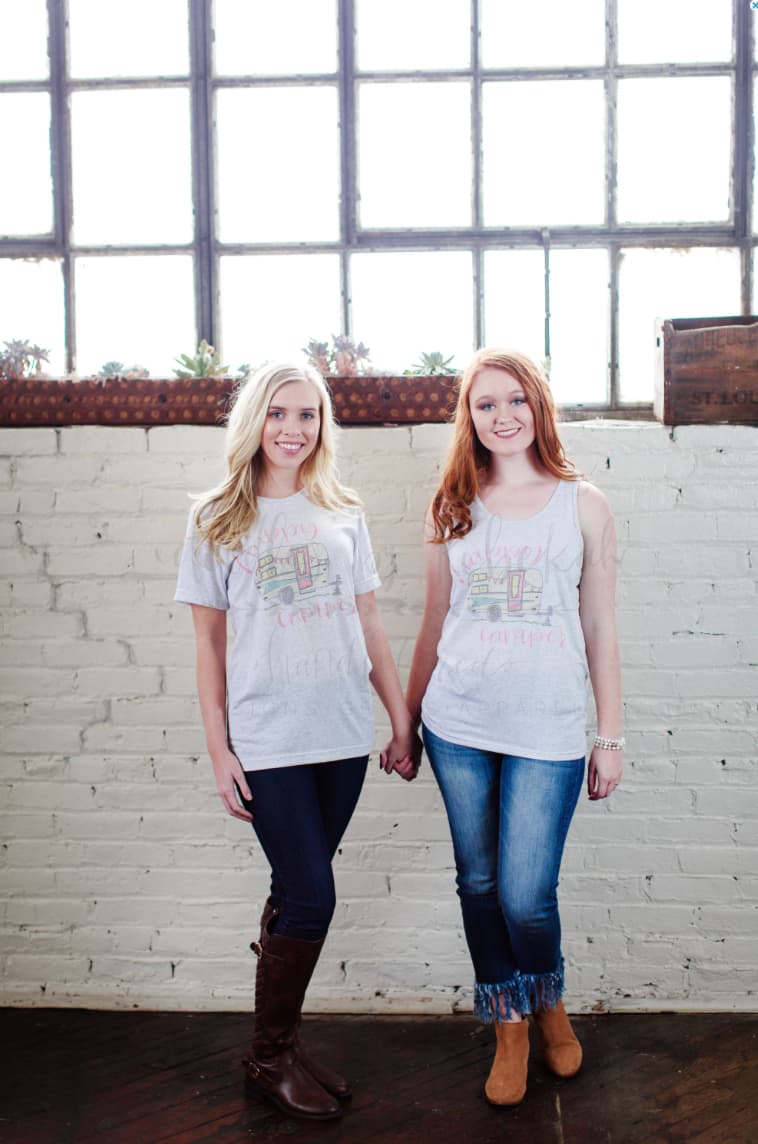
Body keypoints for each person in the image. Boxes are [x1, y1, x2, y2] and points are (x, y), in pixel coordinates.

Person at [175, 361, 418, 1122]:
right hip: (269, 740)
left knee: (294, 891)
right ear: (255, 419)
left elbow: (368, 620)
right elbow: (208, 645)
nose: (293, 428)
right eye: (279, 413)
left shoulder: (341, 510)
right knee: (313, 896)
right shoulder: (216, 517)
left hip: (340, 733)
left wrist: (400, 718)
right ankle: (270, 1056)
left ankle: (278, 1050)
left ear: (323, 425)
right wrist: (220, 751)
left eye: (308, 415)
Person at [406, 347, 623, 1107]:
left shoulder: (584, 504)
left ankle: (548, 998)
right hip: (458, 724)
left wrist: (609, 736)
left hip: (549, 727)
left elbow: (600, 626)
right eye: (485, 404)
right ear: (469, 418)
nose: (502, 416)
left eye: (516, 400)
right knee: (479, 881)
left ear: (539, 406)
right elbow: (435, 619)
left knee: (527, 896)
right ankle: (509, 1024)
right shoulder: (451, 505)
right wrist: (405, 720)